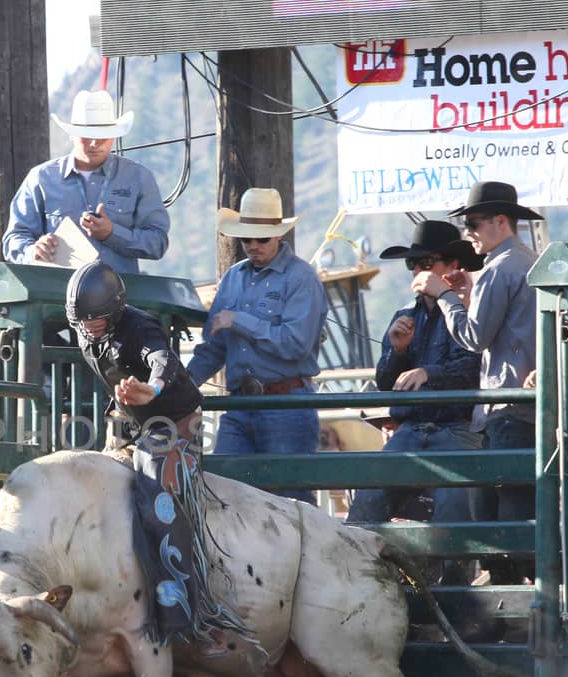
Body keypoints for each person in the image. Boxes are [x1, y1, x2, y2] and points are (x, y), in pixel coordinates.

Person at [66, 263, 252, 651]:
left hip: (173, 417)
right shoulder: (87, 333)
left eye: (96, 320)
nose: (88, 328)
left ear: (114, 311)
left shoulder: (141, 326)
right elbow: (113, 379)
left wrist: (151, 389)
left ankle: (186, 612)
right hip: (129, 417)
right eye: (81, 321)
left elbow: (161, 359)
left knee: (157, 495)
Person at [417, 180, 541, 585]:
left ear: (500, 222)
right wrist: (469, 295)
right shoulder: (527, 261)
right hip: (527, 406)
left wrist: (444, 296)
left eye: (473, 222)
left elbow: (475, 338)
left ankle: (506, 604)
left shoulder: (499, 268)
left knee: (496, 518)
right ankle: (526, 603)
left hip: (504, 408)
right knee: (519, 510)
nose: (467, 232)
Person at [346, 222, 483, 582]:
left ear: (451, 265)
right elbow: (386, 381)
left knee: (454, 507)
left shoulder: (469, 311)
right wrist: (398, 350)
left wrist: (427, 371)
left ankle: (458, 593)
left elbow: (472, 370)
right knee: (368, 498)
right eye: (414, 264)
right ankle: (358, 581)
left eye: (427, 262)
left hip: (455, 427)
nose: (419, 270)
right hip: (411, 430)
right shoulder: (404, 315)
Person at [186, 188, 328, 505]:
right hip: (239, 405)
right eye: (246, 238)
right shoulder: (233, 277)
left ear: (278, 237)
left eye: (261, 239)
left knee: (292, 504)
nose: (253, 245)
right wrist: (179, 385)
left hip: (285, 404)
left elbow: (295, 346)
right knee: (222, 495)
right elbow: (213, 348)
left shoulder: (301, 278)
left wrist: (240, 320)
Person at [2, 90, 170, 273]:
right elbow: (14, 238)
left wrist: (112, 234)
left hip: (120, 295)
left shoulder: (138, 177)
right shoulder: (41, 178)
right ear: (71, 135)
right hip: (56, 295)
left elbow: (157, 243)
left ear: (114, 136)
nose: (93, 143)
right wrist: (33, 250)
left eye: (102, 136)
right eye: (86, 135)